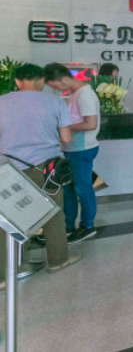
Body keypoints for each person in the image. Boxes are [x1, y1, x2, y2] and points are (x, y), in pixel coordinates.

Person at [0, 63, 80, 276]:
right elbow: (66, 138)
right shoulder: (55, 102)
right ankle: (58, 261)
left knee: (11, 218)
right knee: (53, 213)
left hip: (9, 170)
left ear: (17, 81)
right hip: (47, 169)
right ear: (42, 81)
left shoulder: (2, 102)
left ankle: (6, 273)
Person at [45, 63, 101, 243]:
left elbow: (91, 124)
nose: (56, 90)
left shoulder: (85, 94)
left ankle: (87, 226)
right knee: (68, 188)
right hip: (72, 149)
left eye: (55, 86)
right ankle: (68, 226)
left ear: (63, 79)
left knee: (82, 188)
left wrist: (64, 127)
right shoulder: (75, 94)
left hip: (82, 149)